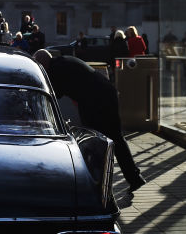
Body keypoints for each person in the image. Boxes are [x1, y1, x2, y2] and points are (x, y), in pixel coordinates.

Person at [33, 50, 145, 191]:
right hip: (107, 93)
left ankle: (96, 183)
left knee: (93, 140)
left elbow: (52, 95)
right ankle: (134, 177)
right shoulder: (65, 60)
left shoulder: (56, 70)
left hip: (95, 101)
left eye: (39, 66)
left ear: (44, 63)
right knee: (116, 137)